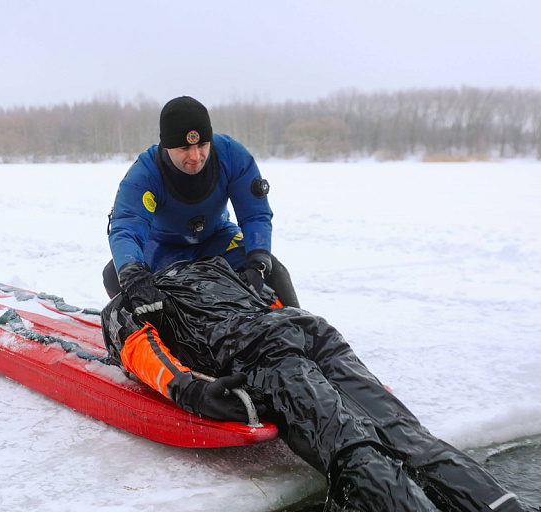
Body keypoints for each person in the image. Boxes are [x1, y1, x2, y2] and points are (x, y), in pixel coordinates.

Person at [100, 256, 531, 512]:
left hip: (261, 355)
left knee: (349, 449)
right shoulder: (221, 268)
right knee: (408, 438)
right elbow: (277, 295)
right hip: (310, 331)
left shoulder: (131, 301)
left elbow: (141, 350)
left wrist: (192, 391)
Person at [103, 95, 299, 314]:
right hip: (161, 248)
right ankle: (148, 330)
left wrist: (257, 262)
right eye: (185, 148)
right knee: (114, 275)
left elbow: (255, 214)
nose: (196, 156)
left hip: (216, 238)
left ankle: (305, 335)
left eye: (202, 144)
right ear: (167, 146)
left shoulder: (232, 156)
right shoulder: (144, 174)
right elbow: (126, 228)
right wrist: (133, 276)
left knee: (272, 269)